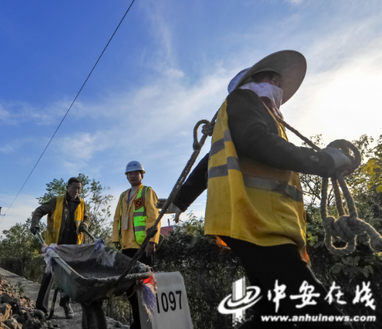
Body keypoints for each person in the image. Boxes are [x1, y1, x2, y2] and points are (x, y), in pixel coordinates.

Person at [170, 50, 356, 328]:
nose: (279, 86)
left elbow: (211, 162)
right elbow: (257, 142)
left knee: (273, 314)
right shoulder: (244, 100)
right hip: (257, 222)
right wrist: (323, 160)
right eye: (274, 79)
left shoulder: (255, 117)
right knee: (316, 308)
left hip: (257, 223)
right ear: (259, 80)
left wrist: (180, 202)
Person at [30, 176, 90, 319]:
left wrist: (85, 225)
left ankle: (65, 304)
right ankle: (41, 308)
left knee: (69, 277)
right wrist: (35, 224)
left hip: (73, 247)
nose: (77, 191)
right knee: (49, 274)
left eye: (79, 188)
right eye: (74, 188)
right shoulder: (55, 201)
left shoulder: (81, 203)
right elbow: (38, 211)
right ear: (67, 188)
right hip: (55, 246)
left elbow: (87, 218)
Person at [112, 161, 161, 329]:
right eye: (129, 173)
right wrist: (115, 239)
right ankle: (138, 322)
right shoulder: (123, 195)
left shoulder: (148, 192)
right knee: (130, 286)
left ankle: (150, 322)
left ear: (142, 174)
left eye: (135, 173)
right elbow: (117, 218)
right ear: (126, 176)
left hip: (143, 247)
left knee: (146, 285)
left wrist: (151, 241)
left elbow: (153, 218)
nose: (132, 176)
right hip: (127, 247)